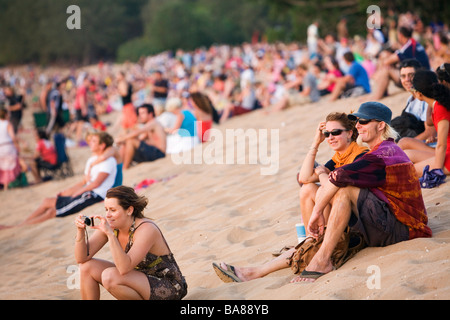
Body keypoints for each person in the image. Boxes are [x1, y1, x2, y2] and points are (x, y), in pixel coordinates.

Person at [212, 112, 368, 283]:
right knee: (307, 189)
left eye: (336, 132)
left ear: (350, 133)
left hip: (355, 224)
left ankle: (254, 272)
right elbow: (304, 178)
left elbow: (338, 190)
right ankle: (308, 243)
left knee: (315, 188)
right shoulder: (338, 158)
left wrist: (323, 174)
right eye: (327, 134)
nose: (330, 137)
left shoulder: (360, 155)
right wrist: (315, 143)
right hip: (339, 220)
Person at [293, 102, 431, 282]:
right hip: (395, 221)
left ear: (381, 125)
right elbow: (304, 178)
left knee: (344, 190)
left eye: (363, 121)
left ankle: (322, 259)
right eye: (357, 121)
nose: (357, 126)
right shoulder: (381, 151)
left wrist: (316, 212)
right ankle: (319, 248)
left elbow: (339, 176)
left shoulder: (383, 154)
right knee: (332, 188)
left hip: (405, 229)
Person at [74, 186, 188, 300]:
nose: (108, 215)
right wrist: (80, 231)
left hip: (168, 286)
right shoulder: (112, 225)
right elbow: (81, 258)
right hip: (139, 279)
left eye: (113, 210)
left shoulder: (146, 229)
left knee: (109, 276)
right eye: (106, 209)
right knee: (86, 267)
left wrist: (110, 234)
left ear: (129, 210)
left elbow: (124, 268)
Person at [6, 132, 117, 227]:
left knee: (52, 212)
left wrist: (76, 194)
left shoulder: (109, 161)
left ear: (102, 145)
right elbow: (84, 182)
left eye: (93, 141)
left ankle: (15, 227)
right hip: (85, 191)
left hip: (92, 195)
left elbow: (96, 184)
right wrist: (67, 193)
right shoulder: (92, 160)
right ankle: (23, 224)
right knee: (47, 201)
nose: (89, 143)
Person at [401, 70, 450, 177]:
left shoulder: (440, 108)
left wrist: (437, 169)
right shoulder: (438, 104)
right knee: (405, 154)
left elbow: (442, 145)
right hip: (445, 152)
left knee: (406, 171)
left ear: (419, 93)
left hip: (447, 157)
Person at [369, 26, 431, 101]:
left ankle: (377, 96)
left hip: (418, 79)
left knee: (386, 69)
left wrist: (384, 60)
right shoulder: (413, 43)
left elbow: (388, 61)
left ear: (400, 35)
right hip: (422, 75)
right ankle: (380, 92)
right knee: (385, 58)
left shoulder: (408, 45)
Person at [393, 59, 436, 143]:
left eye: (411, 75)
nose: (407, 79)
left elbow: (431, 132)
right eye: (403, 76)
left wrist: (405, 144)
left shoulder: (425, 99)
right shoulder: (410, 99)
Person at [116, 104, 166, 170]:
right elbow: (140, 139)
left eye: (142, 113)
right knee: (126, 143)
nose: (140, 116)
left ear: (150, 114)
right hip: (152, 152)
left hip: (159, 153)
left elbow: (137, 133)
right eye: (139, 114)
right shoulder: (149, 126)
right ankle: (118, 167)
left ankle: (124, 168)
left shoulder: (153, 123)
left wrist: (121, 138)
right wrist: (123, 141)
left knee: (131, 141)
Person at [0, 107, 21, 190]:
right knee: (10, 166)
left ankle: (5, 186)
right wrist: (17, 146)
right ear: (5, 114)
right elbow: (13, 137)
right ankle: (9, 185)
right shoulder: (7, 123)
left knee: (3, 167)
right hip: (8, 146)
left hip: (0, 147)